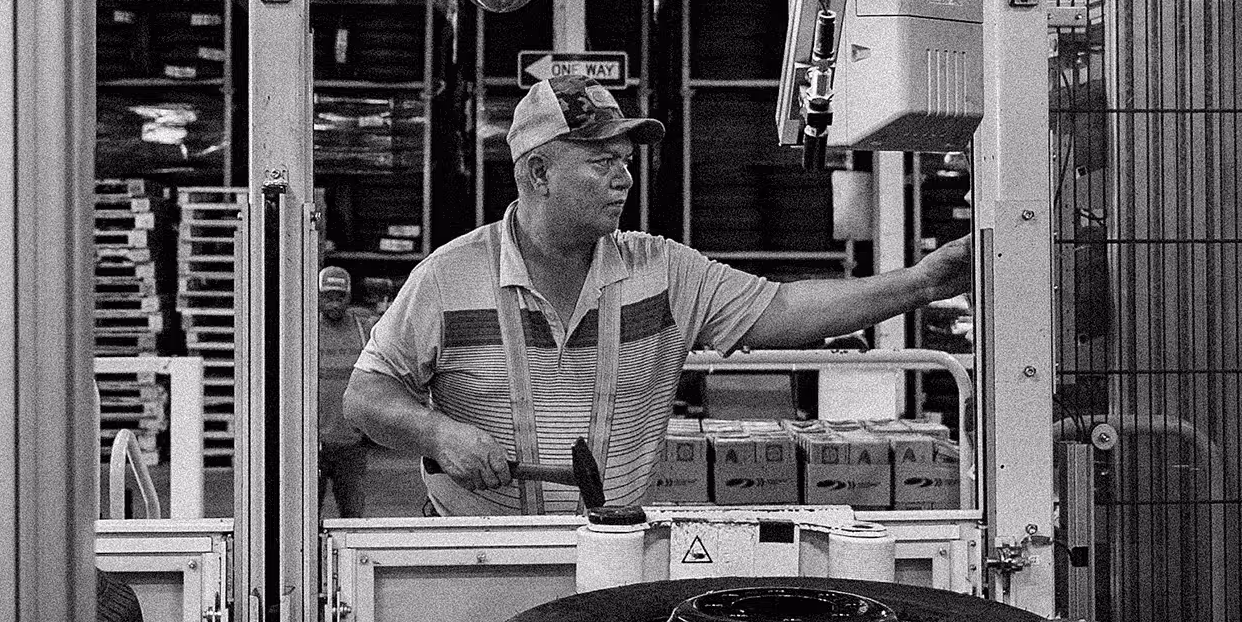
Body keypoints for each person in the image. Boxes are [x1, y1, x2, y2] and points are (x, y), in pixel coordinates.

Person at [343, 76, 971, 515]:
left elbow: (784, 309)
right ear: (537, 173)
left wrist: (924, 281)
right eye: (600, 161)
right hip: (475, 554)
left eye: (625, 158)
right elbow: (366, 395)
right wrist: (437, 433)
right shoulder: (448, 277)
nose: (625, 176)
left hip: (608, 551)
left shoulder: (662, 272)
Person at [317, 265, 371, 517]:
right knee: (304, 519)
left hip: (351, 444)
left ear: (348, 297)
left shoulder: (364, 330)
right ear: (318, 296)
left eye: (339, 297)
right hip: (312, 445)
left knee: (353, 520)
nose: (334, 303)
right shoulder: (305, 331)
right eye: (328, 296)